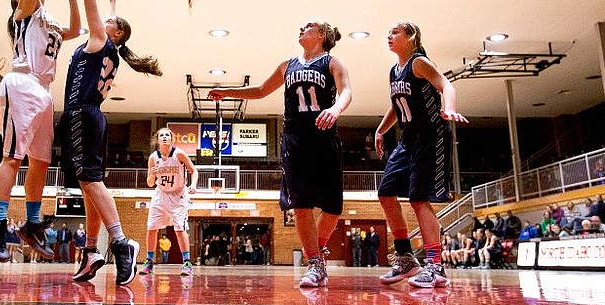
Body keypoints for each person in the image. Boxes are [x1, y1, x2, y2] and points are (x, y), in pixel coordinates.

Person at [209, 19, 352, 289]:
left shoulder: (332, 62)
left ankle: (317, 252)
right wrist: (228, 92)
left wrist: (335, 109)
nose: (300, 28)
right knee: (301, 205)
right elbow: (262, 90)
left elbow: (346, 91)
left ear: (321, 34)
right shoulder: (288, 65)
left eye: (308, 26)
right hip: (295, 138)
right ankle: (314, 263)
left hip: (323, 134)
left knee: (333, 208)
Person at [63, 0, 160, 286]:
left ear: (114, 32)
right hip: (93, 117)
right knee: (89, 184)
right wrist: (115, 2)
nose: (102, 20)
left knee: (90, 181)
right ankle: (92, 251)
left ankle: (119, 242)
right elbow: (108, 16)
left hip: (80, 114)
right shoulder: (110, 49)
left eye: (109, 20)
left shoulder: (100, 41)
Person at [0, 0, 82, 264]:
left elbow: (73, 31)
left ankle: (31, 223)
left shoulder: (50, 22)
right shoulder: (25, 11)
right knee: (12, 157)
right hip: (22, 85)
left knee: (41, 161)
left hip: (43, 92)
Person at [373, 21, 468, 288]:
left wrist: (449, 109)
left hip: (431, 136)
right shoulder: (395, 71)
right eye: (389, 32)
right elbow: (396, 105)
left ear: (411, 36)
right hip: (408, 140)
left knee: (418, 199)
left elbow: (447, 85)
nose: (389, 36)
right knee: (385, 193)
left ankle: (436, 266)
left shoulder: (419, 62)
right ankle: (405, 258)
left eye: (394, 32)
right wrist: (381, 131)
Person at [139, 127, 197, 277]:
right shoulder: (153, 157)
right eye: (161, 135)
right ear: (157, 140)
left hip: (178, 195)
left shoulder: (179, 154)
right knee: (151, 228)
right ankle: (149, 261)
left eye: (167, 135)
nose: (164, 137)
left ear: (172, 138)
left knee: (179, 228)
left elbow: (194, 170)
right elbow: (150, 183)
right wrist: (152, 175)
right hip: (161, 194)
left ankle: (187, 263)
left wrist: (193, 185)